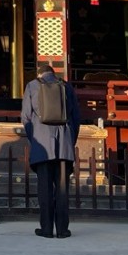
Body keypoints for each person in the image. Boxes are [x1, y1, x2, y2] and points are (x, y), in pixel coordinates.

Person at [20, 62, 81, 239]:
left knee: (44, 189)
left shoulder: (32, 86)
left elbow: (26, 117)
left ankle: (46, 229)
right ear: (54, 74)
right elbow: (76, 117)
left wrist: (36, 140)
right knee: (62, 190)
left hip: (42, 147)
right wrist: (71, 141)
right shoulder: (66, 87)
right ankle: (63, 230)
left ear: (39, 74)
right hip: (64, 145)